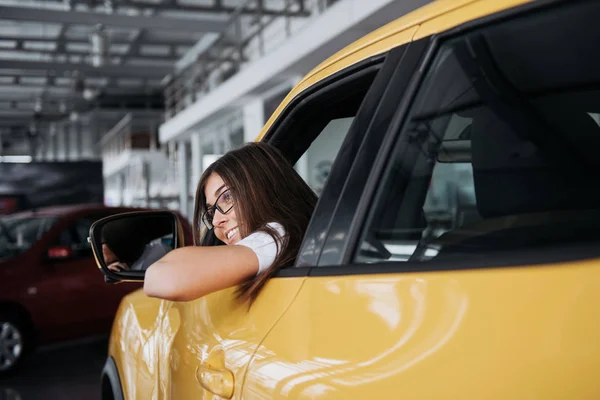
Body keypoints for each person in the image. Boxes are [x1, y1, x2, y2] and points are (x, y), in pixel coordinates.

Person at [143, 142, 317, 304]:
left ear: (263, 188)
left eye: (227, 197)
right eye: (211, 211)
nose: (217, 221)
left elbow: (163, 278)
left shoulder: (275, 236)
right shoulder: (290, 238)